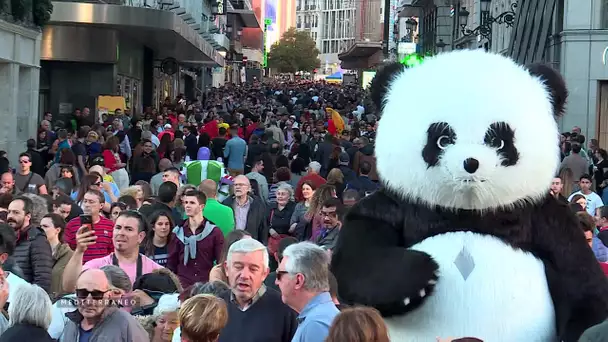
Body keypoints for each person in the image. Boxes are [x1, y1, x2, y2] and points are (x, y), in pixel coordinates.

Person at [62, 211, 163, 292]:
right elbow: (69, 287)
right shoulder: (97, 266)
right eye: (118, 228)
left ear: (140, 237)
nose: (121, 233)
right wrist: (79, 251)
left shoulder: (154, 270)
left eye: (128, 229)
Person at [219, 238, 298, 342]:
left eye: (253, 269)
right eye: (238, 267)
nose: (244, 275)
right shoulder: (214, 307)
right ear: (227, 269)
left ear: (265, 273)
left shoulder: (285, 310)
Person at [60, 268, 149, 341]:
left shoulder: (126, 324)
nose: (89, 301)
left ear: (109, 295)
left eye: (97, 294)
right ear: (76, 292)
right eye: (82, 293)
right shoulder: (72, 323)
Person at [276, 242, 339, 342]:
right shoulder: (320, 316)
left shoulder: (316, 324)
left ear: (298, 280)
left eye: (279, 275)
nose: (276, 282)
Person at [167, 189, 224, 288]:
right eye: (186, 203)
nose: (187, 206)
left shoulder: (214, 232)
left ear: (202, 207)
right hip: (182, 285)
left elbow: (221, 262)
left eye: (192, 203)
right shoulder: (177, 232)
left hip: (206, 286)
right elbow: (172, 263)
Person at [7, 196, 52, 292]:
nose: (10, 216)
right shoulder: (7, 239)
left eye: (16, 212)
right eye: (9, 212)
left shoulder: (38, 240)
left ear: (28, 216)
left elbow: (42, 281)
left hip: (25, 301)